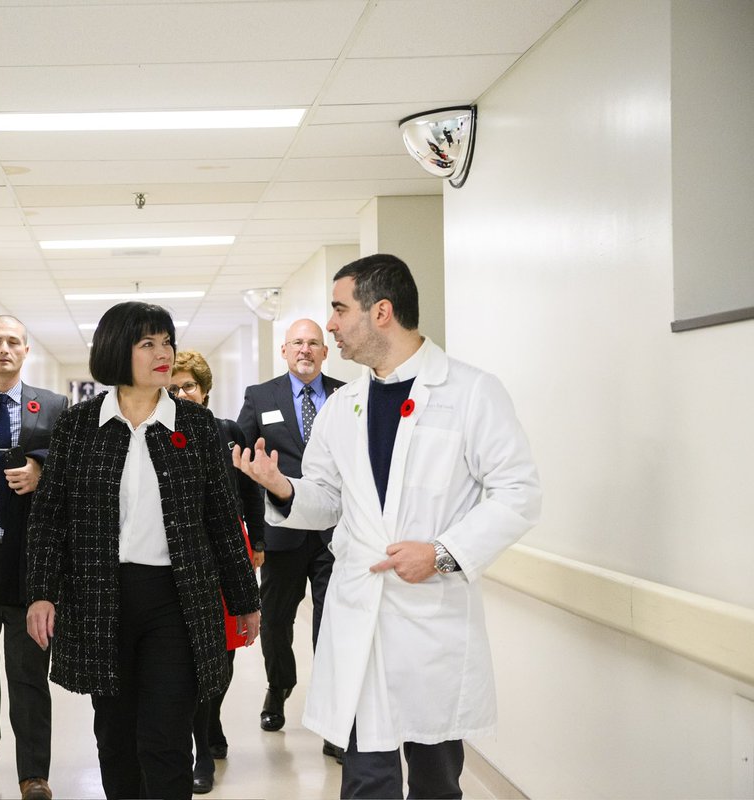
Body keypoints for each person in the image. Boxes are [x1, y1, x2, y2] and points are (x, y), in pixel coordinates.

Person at [234, 253, 541, 799]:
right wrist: (281, 487)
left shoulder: (470, 392)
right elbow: (327, 501)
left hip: (429, 618)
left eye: (338, 309)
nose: (329, 326)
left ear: (381, 312)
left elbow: (518, 493)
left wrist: (443, 552)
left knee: (435, 779)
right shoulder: (343, 406)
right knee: (365, 778)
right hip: (359, 620)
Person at [25, 302, 261, 800]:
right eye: (147, 343)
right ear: (117, 350)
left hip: (175, 600)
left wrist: (245, 600)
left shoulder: (196, 426)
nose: (163, 354)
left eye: (167, 342)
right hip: (99, 598)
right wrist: (41, 593)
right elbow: (50, 519)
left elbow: (222, 518)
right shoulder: (78, 426)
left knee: (165, 738)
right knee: (114, 737)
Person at [0, 315, 67, 800]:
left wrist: (43, 469)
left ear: (26, 352)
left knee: (28, 668)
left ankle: (33, 772)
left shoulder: (56, 406)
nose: (5, 349)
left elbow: (72, 467)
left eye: (14, 342)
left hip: (28, 558)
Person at [236, 318, 345, 760]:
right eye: (297, 342)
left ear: (325, 352)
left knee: (333, 624)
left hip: (334, 534)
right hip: (280, 532)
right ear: (284, 351)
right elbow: (241, 456)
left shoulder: (347, 397)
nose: (305, 349)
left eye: (313, 343)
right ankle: (278, 686)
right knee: (277, 621)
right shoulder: (260, 397)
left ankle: (335, 718)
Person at [168, 350, 265, 795]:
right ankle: (200, 749)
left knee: (223, 655)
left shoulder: (227, 432)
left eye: (188, 385)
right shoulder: (158, 432)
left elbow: (250, 489)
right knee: (189, 654)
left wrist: (258, 543)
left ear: (204, 391)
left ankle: (211, 721)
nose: (181, 393)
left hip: (228, 550)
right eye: (172, 388)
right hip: (180, 558)